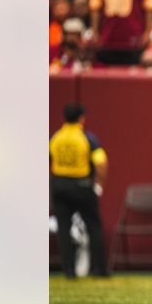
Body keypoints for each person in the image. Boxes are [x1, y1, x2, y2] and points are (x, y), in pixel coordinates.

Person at [50, 103, 108, 279]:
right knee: (93, 227)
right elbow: (101, 162)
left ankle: (68, 270)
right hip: (82, 185)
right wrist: (98, 184)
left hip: (59, 185)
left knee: (63, 228)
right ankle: (99, 269)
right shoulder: (87, 138)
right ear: (82, 118)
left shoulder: (56, 138)